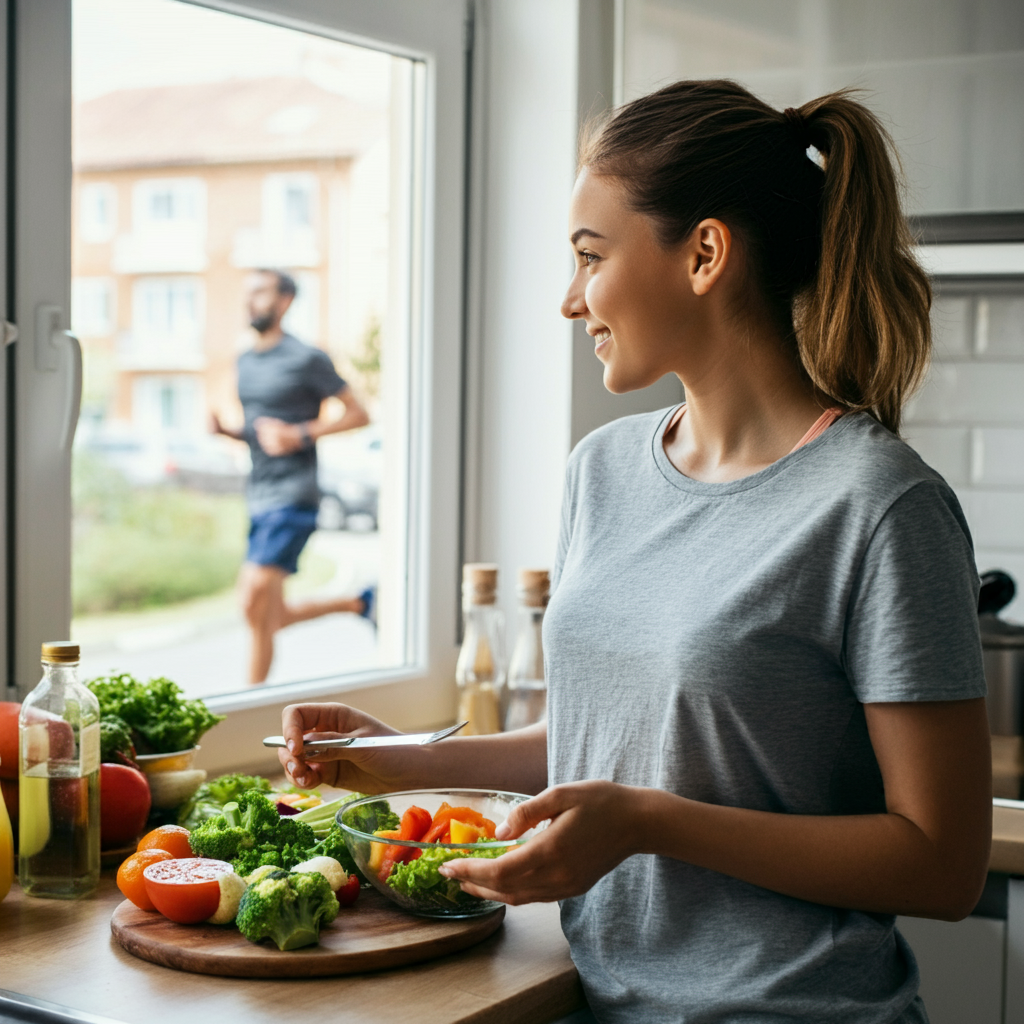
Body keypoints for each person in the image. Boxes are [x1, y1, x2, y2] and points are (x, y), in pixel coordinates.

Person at [275, 82, 992, 1023]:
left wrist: (648, 824)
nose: (570, 301)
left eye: (589, 257)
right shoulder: (603, 469)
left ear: (703, 254)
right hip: (605, 1003)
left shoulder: (880, 506)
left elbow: (942, 863)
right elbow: (605, 745)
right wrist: (391, 760)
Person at [212, 268, 374, 685]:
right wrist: (227, 431)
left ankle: (249, 696)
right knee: (266, 614)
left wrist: (299, 433)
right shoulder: (245, 360)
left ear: (284, 301)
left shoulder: (307, 358)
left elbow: (359, 413)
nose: (251, 301)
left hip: (294, 495)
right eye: (247, 294)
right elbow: (258, 431)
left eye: (261, 293)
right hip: (259, 493)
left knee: (251, 599)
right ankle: (360, 603)